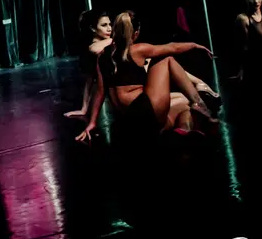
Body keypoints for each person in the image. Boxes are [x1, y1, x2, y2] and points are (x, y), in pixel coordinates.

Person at [76, 11, 221, 144]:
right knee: (167, 59)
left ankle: (184, 130)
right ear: (136, 33)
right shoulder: (136, 50)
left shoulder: (102, 57)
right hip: (143, 111)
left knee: (183, 106)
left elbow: (100, 92)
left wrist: (92, 123)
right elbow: (173, 47)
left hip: (130, 122)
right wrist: (195, 45)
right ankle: (200, 106)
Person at [65, 10, 113, 119]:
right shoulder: (96, 47)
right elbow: (90, 79)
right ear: (93, 28)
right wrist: (84, 109)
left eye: (110, 24)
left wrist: (84, 108)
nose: (109, 28)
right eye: (104, 25)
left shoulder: (109, 42)